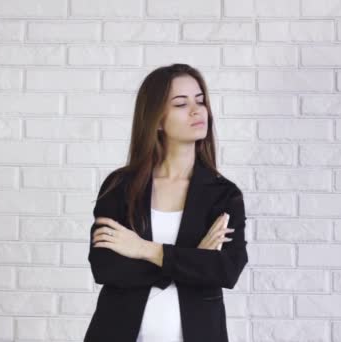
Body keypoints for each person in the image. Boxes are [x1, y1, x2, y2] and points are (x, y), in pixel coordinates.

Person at [83, 63, 249, 342]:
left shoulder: (223, 194)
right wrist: (193, 258)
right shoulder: (120, 186)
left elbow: (226, 270)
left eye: (200, 101)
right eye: (181, 104)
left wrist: (143, 249)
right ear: (157, 120)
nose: (197, 111)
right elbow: (106, 267)